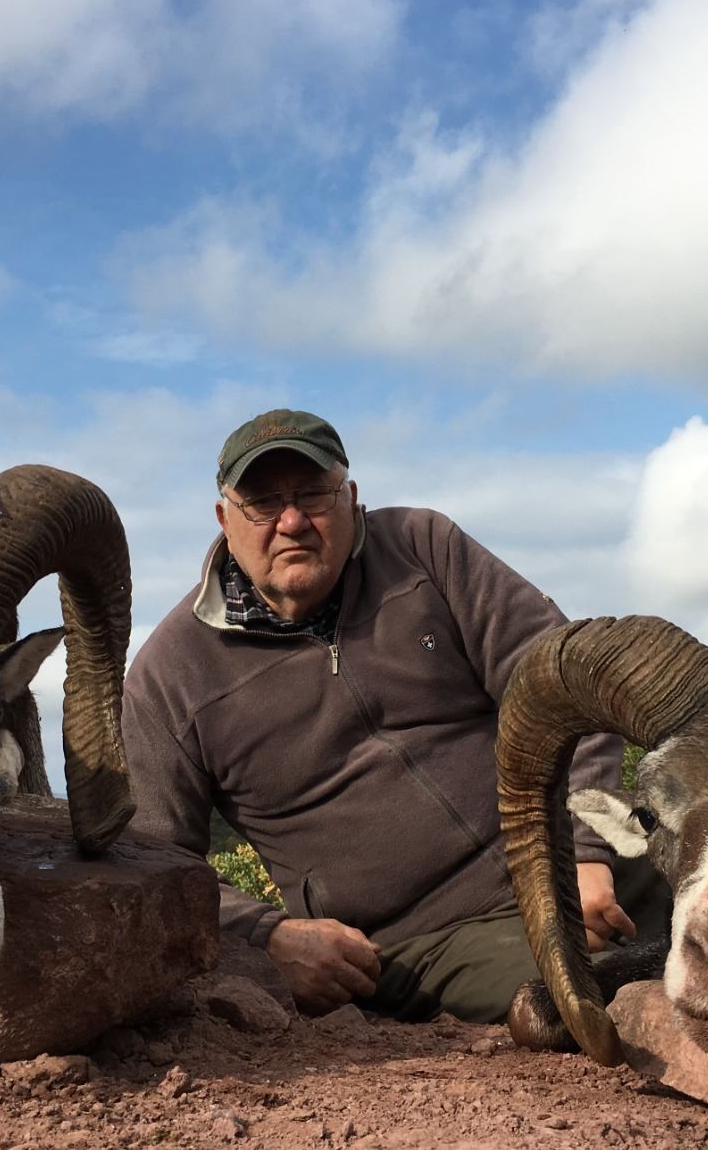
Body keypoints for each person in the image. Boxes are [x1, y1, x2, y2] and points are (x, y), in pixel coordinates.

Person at [123, 409, 654, 1020]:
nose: (291, 521)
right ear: (224, 519)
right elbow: (154, 867)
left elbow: (566, 681)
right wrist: (267, 936)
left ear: (350, 498)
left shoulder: (424, 547)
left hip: (581, 865)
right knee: (591, 996)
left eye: (313, 494)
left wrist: (586, 851)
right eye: (263, 503)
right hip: (428, 940)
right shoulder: (168, 678)